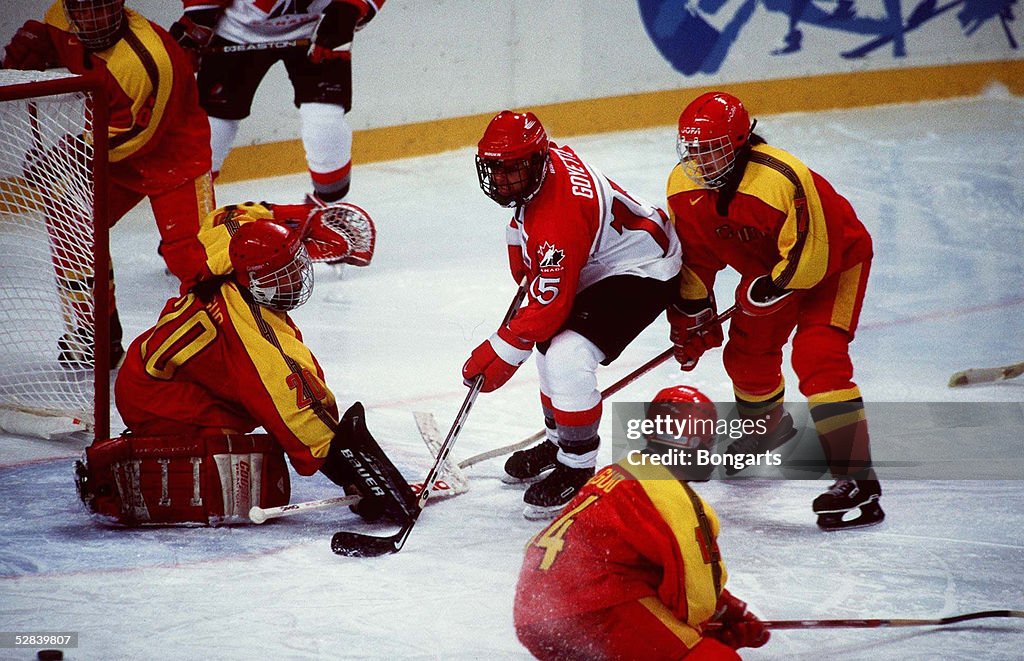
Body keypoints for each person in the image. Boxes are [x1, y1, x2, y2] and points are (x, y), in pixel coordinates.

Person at [73, 200, 406, 526]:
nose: (296, 281)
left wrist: (298, 218)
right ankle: (141, 459)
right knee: (233, 448)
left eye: (296, 267)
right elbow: (298, 410)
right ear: (256, 282)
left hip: (160, 372)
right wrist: (357, 476)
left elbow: (230, 214)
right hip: (158, 398)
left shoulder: (231, 245)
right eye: (283, 276)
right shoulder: (251, 331)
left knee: (248, 409)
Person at [665, 91, 884, 530]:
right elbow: (695, 260)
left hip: (833, 264)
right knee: (747, 356)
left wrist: (768, 288)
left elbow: (812, 257)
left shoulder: (782, 178)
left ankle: (857, 477)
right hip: (771, 270)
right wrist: (690, 319)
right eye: (693, 151)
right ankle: (764, 430)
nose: (699, 163)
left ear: (741, 142)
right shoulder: (683, 188)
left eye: (711, 151)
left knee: (818, 357)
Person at [463, 110, 682, 520]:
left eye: (513, 169)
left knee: (566, 353)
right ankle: (560, 440)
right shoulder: (544, 169)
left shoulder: (558, 217)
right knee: (549, 346)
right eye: (495, 168)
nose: (502, 179)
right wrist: (525, 252)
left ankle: (577, 468)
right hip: (602, 259)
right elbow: (529, 220)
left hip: (644, 269)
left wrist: (498, 351)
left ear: (536, 160)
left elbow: (547, 311)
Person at [2, 0, 216, 367]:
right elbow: (51, 54)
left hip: (172, 153)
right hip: (109, 150)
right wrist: (31, 51)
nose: (93, 19)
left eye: (102, 7)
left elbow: (137, 134)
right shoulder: (57, 21)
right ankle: (95, 333)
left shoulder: (144, 60)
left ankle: (215, 341)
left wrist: (67, 154)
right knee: (71, 229)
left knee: (194, 255)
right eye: (82, 9)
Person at [514, 385, 770, 660]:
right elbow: (693, 599)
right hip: (593, 611)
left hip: (538, 613)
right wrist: (723, 619)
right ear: (690, 445)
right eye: (709, 441)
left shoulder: (620, 473)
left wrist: (725, 608)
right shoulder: (671, 497)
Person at [170, 0, 385, 203]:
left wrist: (347, 10)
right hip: (241, 28)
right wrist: (199, 15)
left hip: (317, 27)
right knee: (214, 123)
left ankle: (334, 212)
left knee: (324, 116)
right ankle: (188, 217)